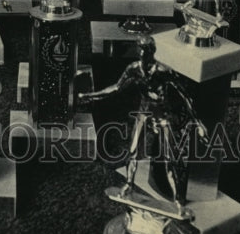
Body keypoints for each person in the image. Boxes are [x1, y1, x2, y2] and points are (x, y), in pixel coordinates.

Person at [79, 35, 207, 215]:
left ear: (152, 51)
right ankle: (129, 185)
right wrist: (90, 96)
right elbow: (116, 88)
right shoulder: (134, 69)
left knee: (172, 159)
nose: (142, 53)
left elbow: (185, 94)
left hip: (163, 115)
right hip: (143, 113)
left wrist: (197, 121)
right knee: (132, 151)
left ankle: (178, 201)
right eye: (140, 49)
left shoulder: (163, 71)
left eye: (146, 50)